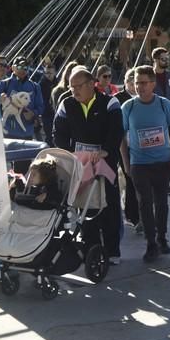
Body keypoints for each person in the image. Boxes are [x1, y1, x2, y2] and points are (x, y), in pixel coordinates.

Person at [53, 66, 124, 264]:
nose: (73, 90)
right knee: (85, 207)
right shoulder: (66, 104)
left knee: (108, 206)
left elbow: (116, 131)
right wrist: (68, 154)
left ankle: (112, 251)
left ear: (91, 84)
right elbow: (58, 133)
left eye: (78, 86)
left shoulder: (110, 102)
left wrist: (105, 151)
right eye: (71, 86)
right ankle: (90, 248)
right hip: (79, 165)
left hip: (105, 164)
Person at [120, 65, 170, 263]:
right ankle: (151, 243)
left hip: (162, 163)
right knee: (145, 203)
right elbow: (121, 137)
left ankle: (162, 237)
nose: (140, 87)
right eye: (137, 83)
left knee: (161, 203)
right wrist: (126, 163)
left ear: (153, 84)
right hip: (139, 163)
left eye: (144, 83)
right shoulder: (128, 107)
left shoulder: (164, 105)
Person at [0, 56, 45, 174]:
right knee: (5, 171)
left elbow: (41, 107)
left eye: (26, 67)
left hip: (26, 133)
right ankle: (10, 192)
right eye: (20, 66)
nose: (23, 69)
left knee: (22, 170)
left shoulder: (35, 87)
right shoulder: (4, 84)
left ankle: (18, 191)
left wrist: (33, 113)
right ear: (13, 68)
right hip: (7, 134)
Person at [114, 69, 140, 232]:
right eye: (130, 81)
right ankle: (132, 215)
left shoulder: (144, 99)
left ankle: (139, 214)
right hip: (123, 145)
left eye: (134, 81)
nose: (132, 84)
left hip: (141, 146)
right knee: (129, 179)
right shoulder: (118, 100)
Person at [152, 48, 170, 195]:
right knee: (155, 153)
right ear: (155, 59)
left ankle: (165, 184)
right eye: (163, 59)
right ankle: (154, 182)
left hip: (168, 121)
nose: (166, 61)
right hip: (154, 122)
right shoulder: (149, 76)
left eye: (167, 58)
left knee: (167, 153)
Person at [39, 64, 56, 146]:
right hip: (46, 113)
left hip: (56, 113)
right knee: (49, 136)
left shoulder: (58, 83)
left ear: (54, 73)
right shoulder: (41, 84)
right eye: (46, 73)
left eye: (50, 73)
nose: (48, 75)